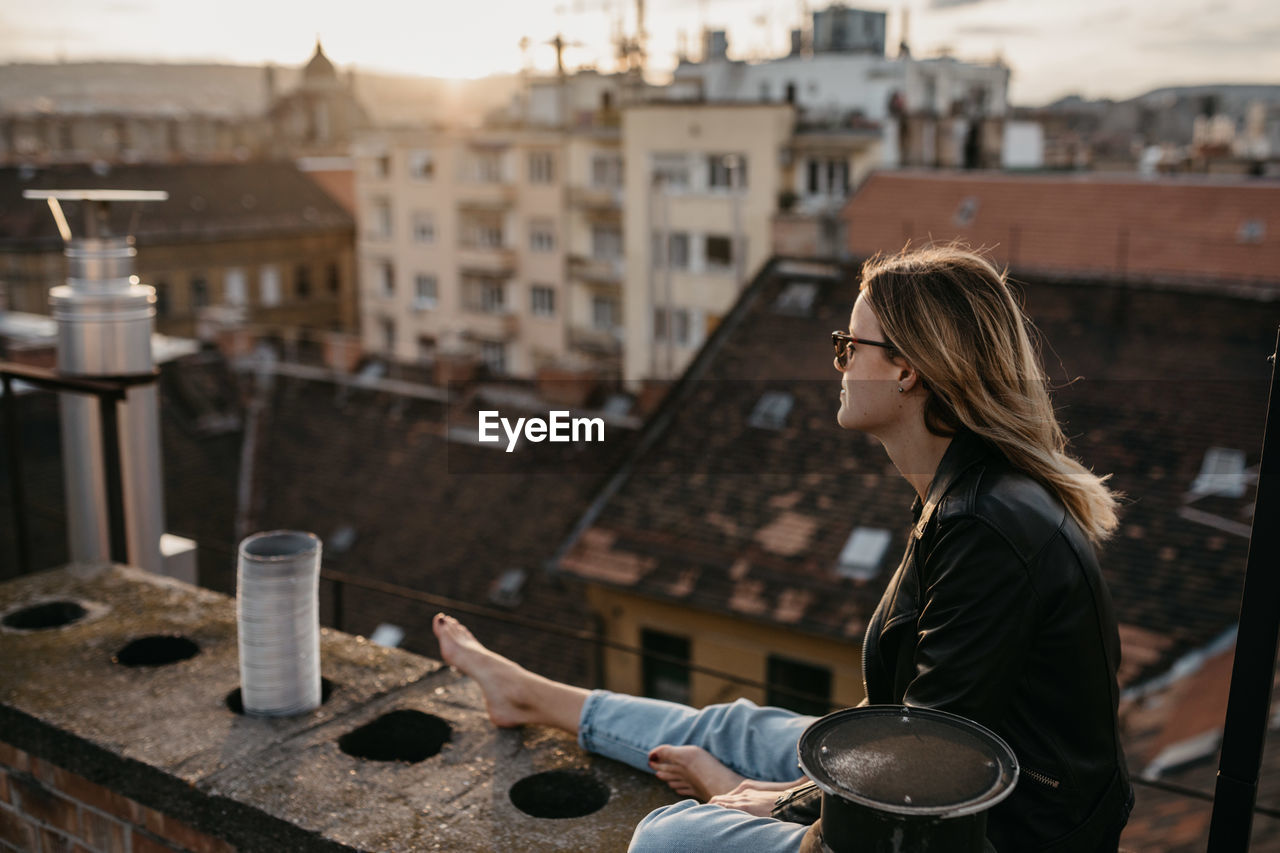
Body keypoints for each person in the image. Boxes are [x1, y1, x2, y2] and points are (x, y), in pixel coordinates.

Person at [432, 245, 1135, 851]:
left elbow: (924, 766)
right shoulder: (970, 493)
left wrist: (781, 803)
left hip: (991, 838)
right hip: (941, 792)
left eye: (847, 346)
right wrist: (794, 792)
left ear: (908, 369)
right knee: (732, 723)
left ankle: (726, 781)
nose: (835, 363)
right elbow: (912, 725)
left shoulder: (984, 527)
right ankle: (527, 694)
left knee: (668, 837)